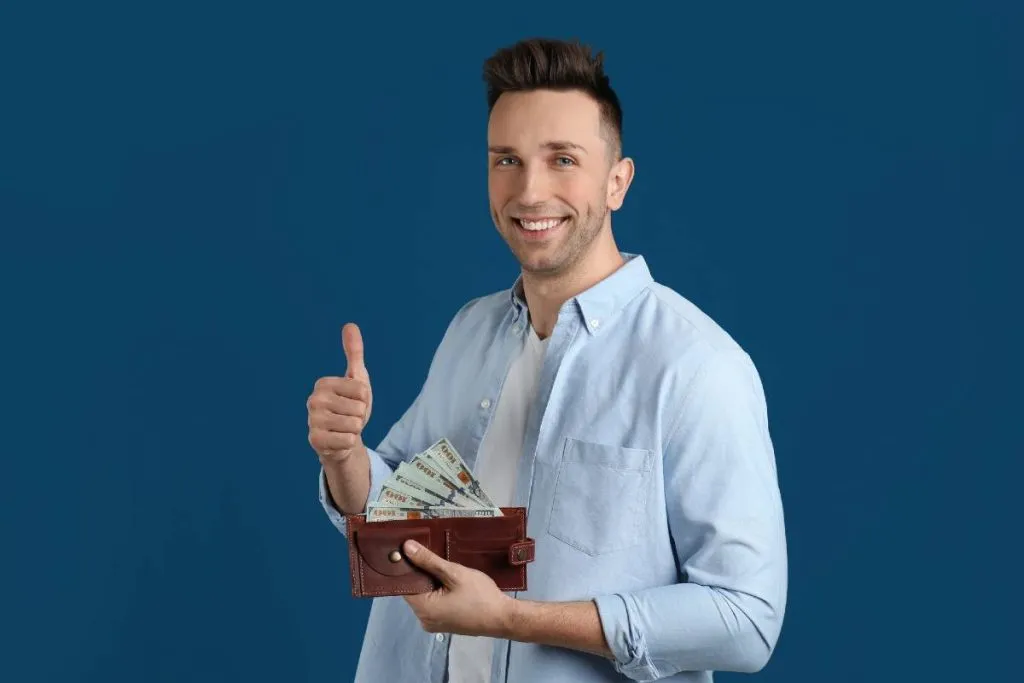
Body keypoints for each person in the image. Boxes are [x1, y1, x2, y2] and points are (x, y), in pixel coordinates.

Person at [307, 37, 788, 683]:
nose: (530, 191)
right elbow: (395, 513)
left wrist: (513, 618)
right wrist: (344, 457)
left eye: (563, 159)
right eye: (507, 159)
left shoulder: (698, 366)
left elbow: (747, 618)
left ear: (617, 182)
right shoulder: (469, 330)